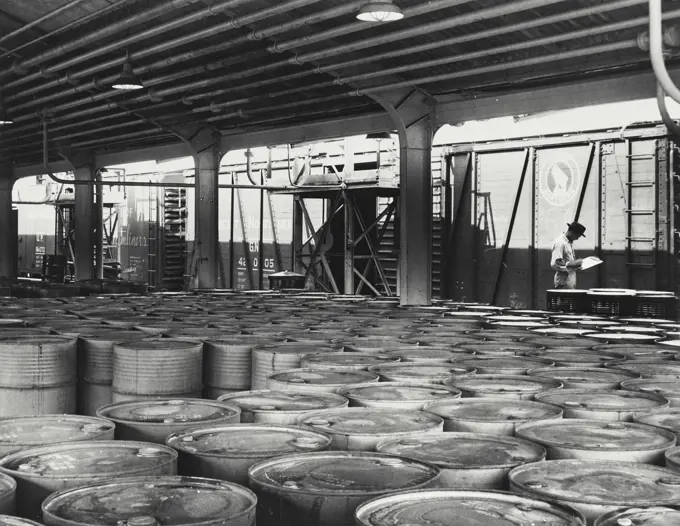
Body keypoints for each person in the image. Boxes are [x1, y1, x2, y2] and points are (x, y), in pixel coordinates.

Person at [550, 221, 586, 289]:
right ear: (573, 232)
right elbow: (555, 264)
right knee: (564, 299)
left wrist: (577, 265)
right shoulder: (560, 243)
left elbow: (567, 262)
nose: (577, 238)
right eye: (578, 236)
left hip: (568, 282)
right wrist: (574, 264)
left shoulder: (568, 243)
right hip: (563, 283)